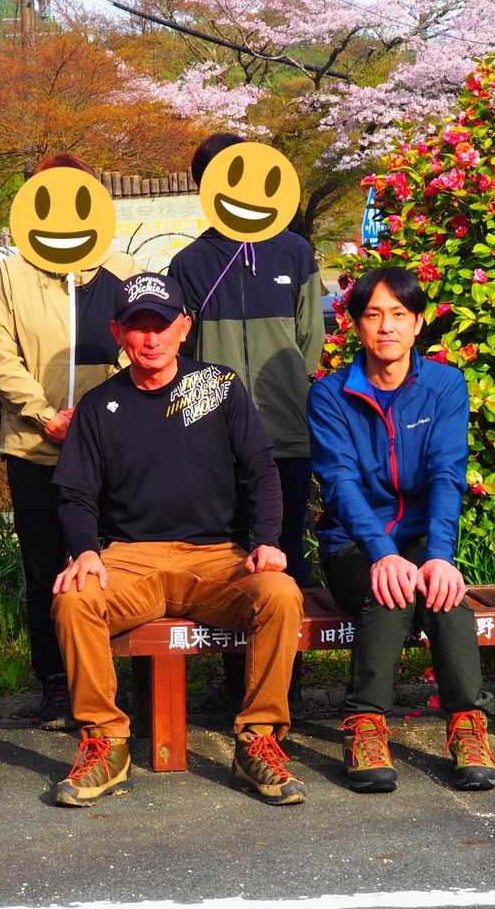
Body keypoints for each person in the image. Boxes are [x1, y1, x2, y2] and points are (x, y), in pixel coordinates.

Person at [50, 272, 305, 807]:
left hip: (215, 557)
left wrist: (267, 540)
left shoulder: (217, 387)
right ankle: (106, 742)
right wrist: (87, 552)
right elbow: (75, 493)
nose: (152, 338)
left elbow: (261, 471)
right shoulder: (99, 405)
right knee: (74, 599)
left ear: (184, 327)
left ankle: (257, 739)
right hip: (130, 558)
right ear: (118, 333)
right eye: (138, 327)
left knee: (281, 595)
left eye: (162, 325)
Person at [307, 266, 495, 794]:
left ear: (418, 322)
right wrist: (381, 553)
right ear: (357, 326)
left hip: (419, 540)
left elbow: (446, 473)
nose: (386, 326)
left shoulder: (443, 386)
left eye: (398, 314)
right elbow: (340, 484)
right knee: (389, 590)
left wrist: (439, 555)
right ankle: (365, 726)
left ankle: (468, 726)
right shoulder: (330, 395)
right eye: (373, 315)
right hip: (353, 544)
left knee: (444, 592)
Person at [168, 133, 326, 712]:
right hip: (213, 439)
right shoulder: (189, 263)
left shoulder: (295, 252)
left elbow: (311, 338)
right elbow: (180, 351)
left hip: (287, 433)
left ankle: (288, 681)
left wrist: (289, 392)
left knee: (286, 550)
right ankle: (235, 680)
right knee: (226, 556)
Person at [0, 153, 137, 730]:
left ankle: (115, 678)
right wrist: (45, 415)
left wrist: (99, 422)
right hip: (35, 448)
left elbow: (140, 350)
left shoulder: (122, 269)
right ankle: (54, 680)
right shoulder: (12, 274)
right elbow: (0, 355)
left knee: (114, 564)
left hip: (111, 451)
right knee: (45, 566)